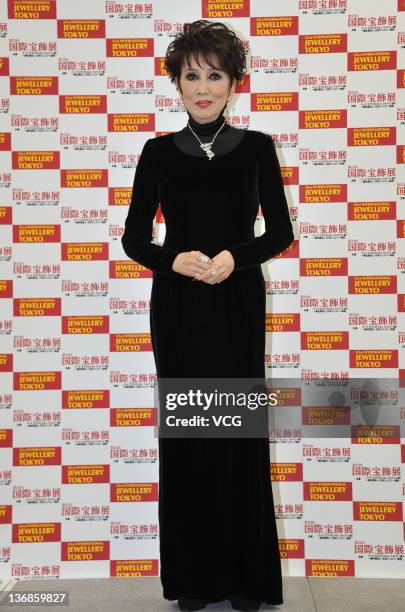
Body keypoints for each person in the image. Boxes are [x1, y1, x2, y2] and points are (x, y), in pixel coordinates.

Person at [121, 19, 294, 612]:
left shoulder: (258, 148)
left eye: (213, 75)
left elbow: (281, 233)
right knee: (191, 435)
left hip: (237, 300)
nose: (202, 87)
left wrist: (232, 259)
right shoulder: (156, 152)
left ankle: (247, 581)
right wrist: (178, 261)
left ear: (234, 82)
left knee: (238, 435)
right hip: (178, 306)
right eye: (190, 75)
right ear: (175, 82)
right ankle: (194, 582)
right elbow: (134, 240)